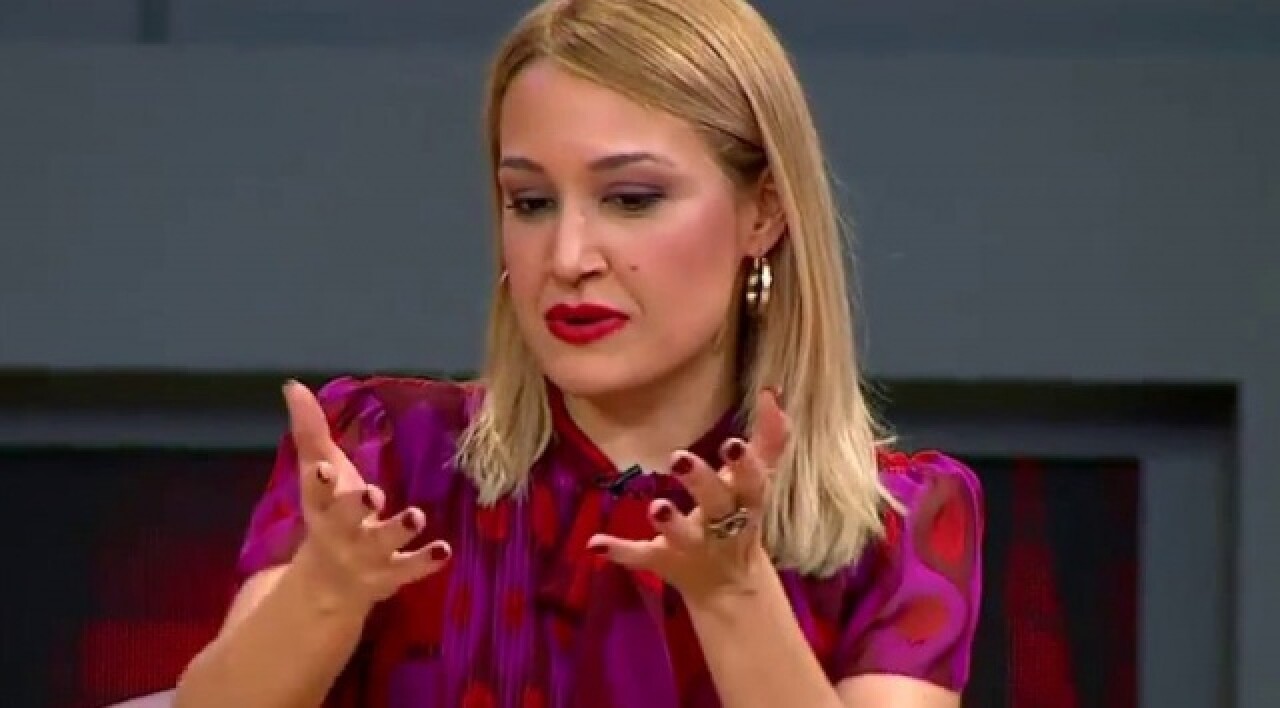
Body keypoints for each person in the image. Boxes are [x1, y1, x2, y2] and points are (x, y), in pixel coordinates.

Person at [174, 0, 983, 706]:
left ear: (763, 212)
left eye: (630, 199)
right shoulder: (386, 458)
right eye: (530, 202)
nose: (566, 258)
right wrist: (327, 589)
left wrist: (734, 596)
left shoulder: (898, 526)